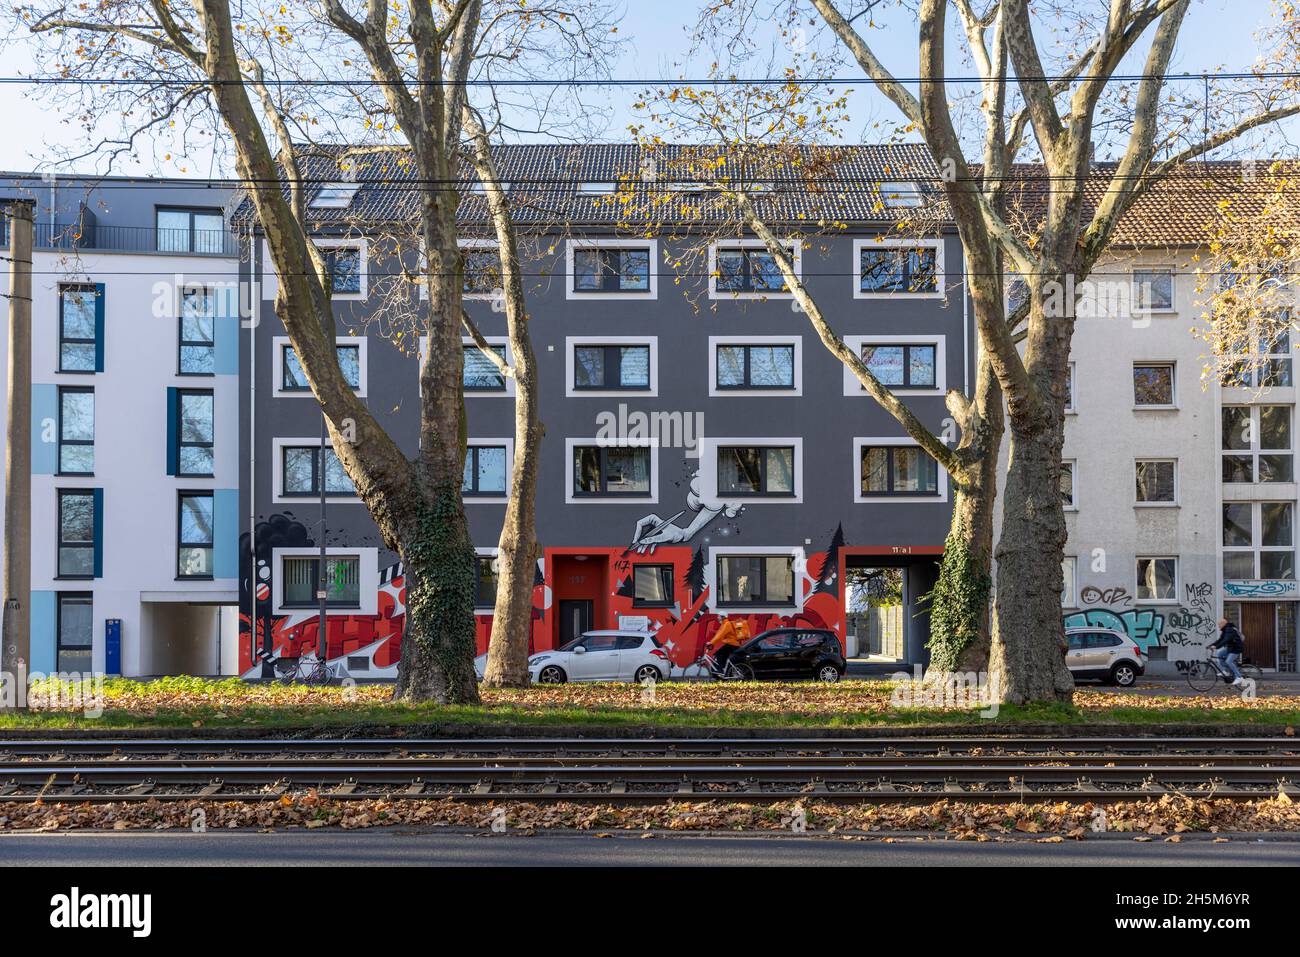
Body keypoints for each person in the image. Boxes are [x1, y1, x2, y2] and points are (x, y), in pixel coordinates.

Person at [1208, 618, 1246, 687]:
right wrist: (1212, 645)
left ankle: (1239, 677)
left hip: (1236, 648)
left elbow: (1225, 640)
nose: (1218, 626)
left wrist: (1216, 647)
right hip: (1230, 647)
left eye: (1219, 624)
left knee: (1229, 661)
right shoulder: (1225, 630)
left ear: (1223, 624)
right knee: (1219, 653)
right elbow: (1220, 640)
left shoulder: (1229, 630)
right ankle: (1226, 671)